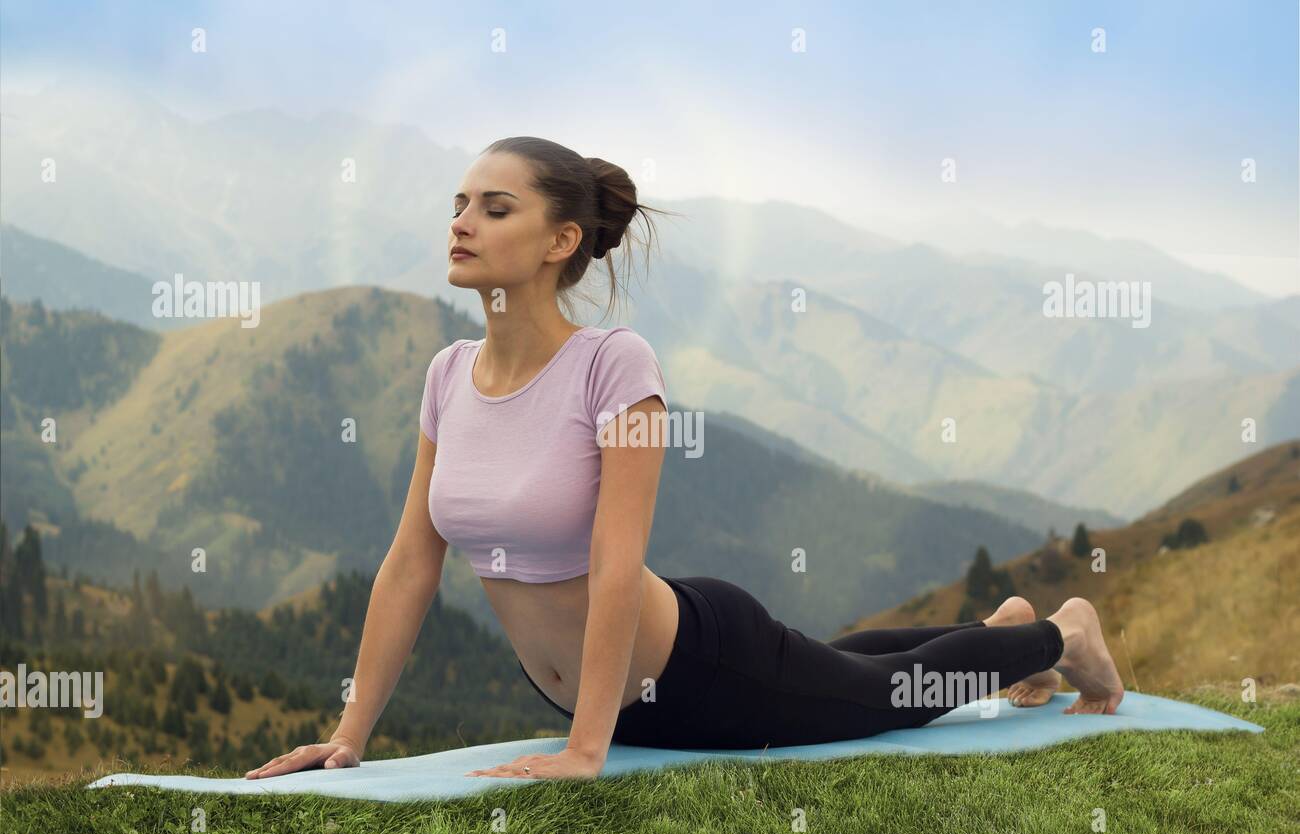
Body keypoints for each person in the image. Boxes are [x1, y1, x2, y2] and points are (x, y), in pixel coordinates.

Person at [246, 137, 1124, 783]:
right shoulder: (447, 375)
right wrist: (349, 734)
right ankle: (1004, 635)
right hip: (610, 693)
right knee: (840, 666)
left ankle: (1063, 635)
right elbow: (409, 564)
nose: (462, 223)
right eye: (459, 204)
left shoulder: (614, 367)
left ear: (561, 243)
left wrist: (588, 748)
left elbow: (615, 560)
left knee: (883, 698)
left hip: (698, 669)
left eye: (495, 208)